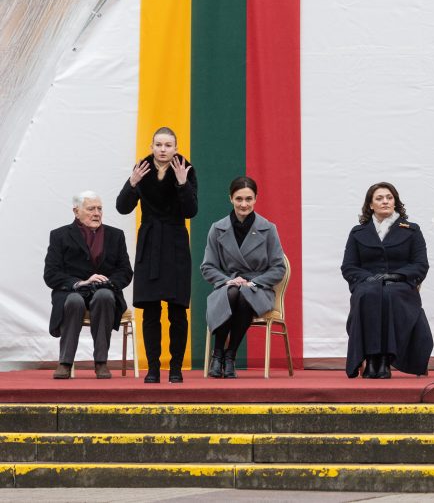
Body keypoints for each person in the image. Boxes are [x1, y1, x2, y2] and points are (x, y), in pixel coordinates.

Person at [116, 126, 197, 383]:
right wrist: (132, 183)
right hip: (150, 245)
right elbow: (122, 207)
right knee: (150, 311)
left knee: (177, 311)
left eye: (168, 145)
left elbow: (191, 211)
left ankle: (175, 368)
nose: (163, 150)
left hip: (175, 245)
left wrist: (183, 184)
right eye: (159, 145)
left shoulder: (186, 168)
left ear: (175, 147)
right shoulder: (142, 168)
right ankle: (152, 368)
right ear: (152, 146)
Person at [342, 182, 432, 379]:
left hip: (400, 286)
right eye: (379, 198)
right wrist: (369, 278)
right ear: (370, 205)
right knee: (370, 293)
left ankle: (384, 360)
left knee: (389, 293)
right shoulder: (357, 232)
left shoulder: (412, 230)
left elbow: (420, 265)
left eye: (389, 198)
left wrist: (397, 276)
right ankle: (371, 360)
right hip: (367, 285)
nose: (385, 201)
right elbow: (348, 267)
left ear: (395, 202)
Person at [201, 176, 286, 378]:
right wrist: (227, 280)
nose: (244, 204)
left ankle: (227, 355)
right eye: (239, 199)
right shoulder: (217, 228)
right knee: (233, 292)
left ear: (256, 199)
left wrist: (253, 282)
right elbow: (208, 267)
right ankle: (221, 353)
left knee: (244, 294)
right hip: (227, 285)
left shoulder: (268, 228)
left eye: (249, 199)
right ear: (230, 198)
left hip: (259, 289)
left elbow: (278, 268)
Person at [43, 192, 132, 379]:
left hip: (104, 291)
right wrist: (80, 283)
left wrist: (108, 282)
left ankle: (101, 362)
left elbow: (125, 271)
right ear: (76, 212)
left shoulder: (115, 235)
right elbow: (51, 274)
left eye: (100, 209)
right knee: (74, 300)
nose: (97, 213)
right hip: (72, 291)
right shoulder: (59, 236)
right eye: (91, 209)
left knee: (105, 296)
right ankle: (65, 362)